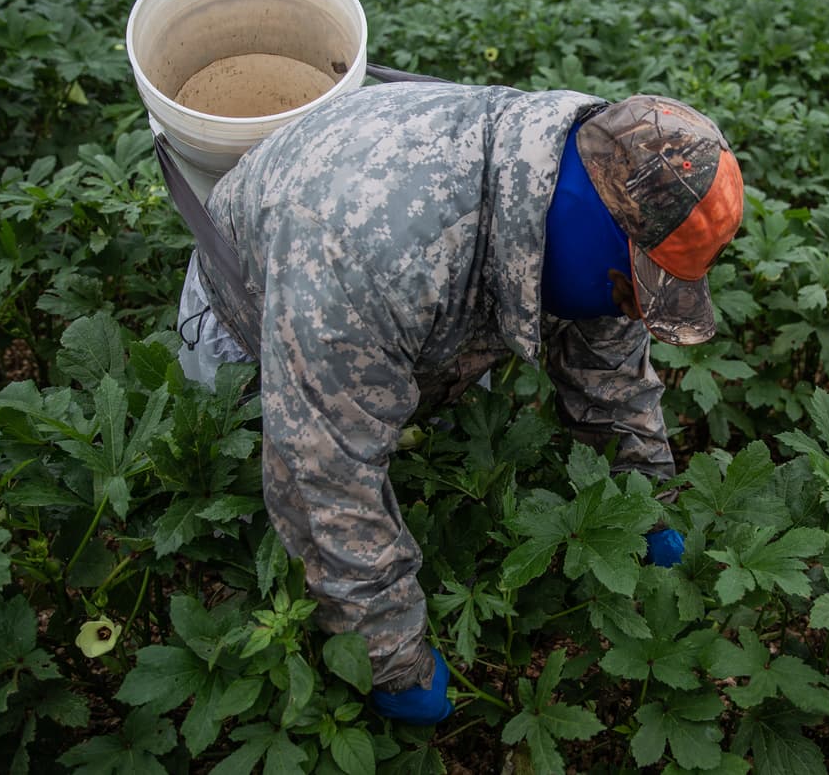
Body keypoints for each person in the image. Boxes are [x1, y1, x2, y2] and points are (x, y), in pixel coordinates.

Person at [174, 82, 744, 724]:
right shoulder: (374, 254)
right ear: (589, 237)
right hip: (257, 316)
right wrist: (389, 654)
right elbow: (322, 473)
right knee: (249, 511)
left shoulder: (610, 163)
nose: (633, 308)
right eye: (630, 288)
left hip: (417, 309)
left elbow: (609, 363)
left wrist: (645, 497)